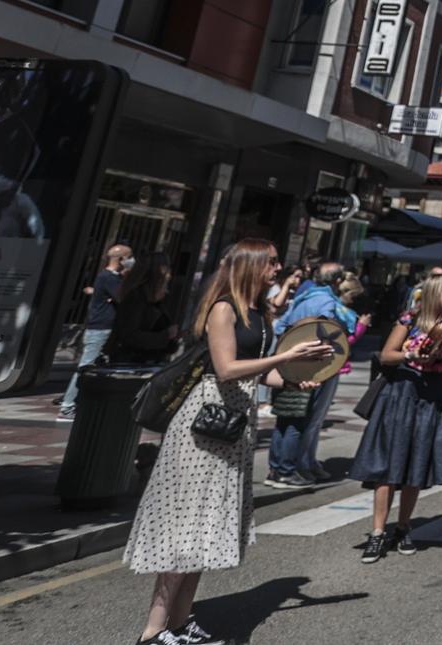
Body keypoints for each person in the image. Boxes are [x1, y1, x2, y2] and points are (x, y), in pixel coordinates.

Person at [125, 240, 332, 645]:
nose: (278, 268)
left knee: (205, 525)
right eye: (271, 262)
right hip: (205, 423)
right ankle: (154, 630)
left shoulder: (259, 312)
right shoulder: (223, 308)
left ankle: (181, 622)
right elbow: (226, 368)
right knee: (184, 527)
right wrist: (282, 360)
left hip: (234, 423)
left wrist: (291, 376)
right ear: (251, 265)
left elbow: (255, 375)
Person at [351, 272, 442, 563]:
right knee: (388, 466)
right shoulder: (410, 319)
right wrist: (410, 355)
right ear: (433, 292)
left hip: (434, 396)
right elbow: (386, 355)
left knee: (417, 464)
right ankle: (378, 533)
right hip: (402, 394)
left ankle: (403, 527)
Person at [267, 262, 365, 487]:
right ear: (337, 281)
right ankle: (287, 470)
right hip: (311, 366)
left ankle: (276, 469)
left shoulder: (304, 297)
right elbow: (327, 335)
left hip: (287, 362)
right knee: (299, 419)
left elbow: (281, 326)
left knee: (285, 417)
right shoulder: (326, 303)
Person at [60, 243, 134, 420]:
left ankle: (80, 402)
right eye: (129, 257)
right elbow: (122, 297)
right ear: (121, 259)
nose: (132, 261)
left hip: (104, 327)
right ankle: (68, 406)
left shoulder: (111, 278)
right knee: (86, 366)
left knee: (96, 365)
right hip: (100, 328)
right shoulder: (108, 277)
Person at [108, 253, 181, 364]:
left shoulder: (155, 299)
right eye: (167, 267)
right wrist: (166, 335)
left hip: (147, 362)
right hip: (133, 364)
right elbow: (130, 335)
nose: (170, 274)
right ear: (159, 270)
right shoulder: (136, 297)